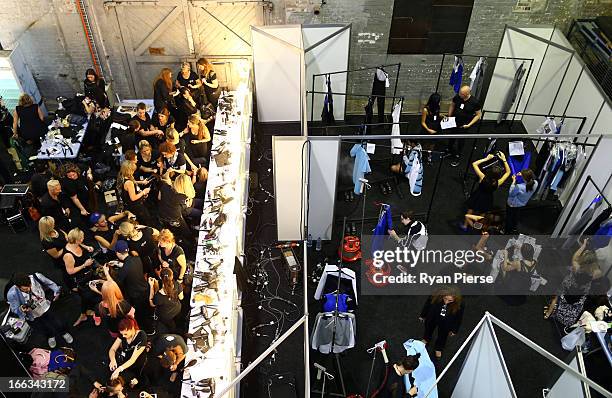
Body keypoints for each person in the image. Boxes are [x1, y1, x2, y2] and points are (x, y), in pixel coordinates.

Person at [544, 238, 602, 326]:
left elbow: (575, 257)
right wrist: (592, 261)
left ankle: (548, 314)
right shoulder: (596, 273)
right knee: (577, 304)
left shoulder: (577, 268)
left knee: (556, 298)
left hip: (568, 288)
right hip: (580, 294)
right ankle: (568, 318)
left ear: (582, 259)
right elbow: (597, 269)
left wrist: (583, 246)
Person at [7, 272, 73, 349]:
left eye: (29, 286)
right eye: (25, 289)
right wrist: (22, 309)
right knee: (42, 328)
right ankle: (50, 336)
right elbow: (14, 309)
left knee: (57, 322)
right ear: (18, 287)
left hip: (45, 306)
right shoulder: (12, 294)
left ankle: (64, 332)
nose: (29, 289)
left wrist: (56, 291)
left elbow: (50, 283)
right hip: (32, 315)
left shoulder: (36, 277)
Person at [461, 152, 510, 231]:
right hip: (487, 198)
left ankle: (465, 225)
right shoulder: (498, 182)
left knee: (471, 208)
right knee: (482, 213)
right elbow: (508, 172)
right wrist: (504, 160)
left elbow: (474, 164)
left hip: (478, 195)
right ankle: (478, 227)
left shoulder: (483, 177)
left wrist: (486, 159)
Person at [112, 240, 152, 334]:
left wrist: (107, 272)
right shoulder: (136, 259)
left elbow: (116, 283)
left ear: (117, 253)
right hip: (145, 289)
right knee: (147, 310)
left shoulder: (125, 268)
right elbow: (129, 266)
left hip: (136, 295)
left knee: (141, 315)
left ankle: (149, 330)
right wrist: (118, 264)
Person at [62, 228, 101, 327]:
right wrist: (84, 265)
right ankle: (96, 313)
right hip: (81, 279)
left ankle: (84, 314)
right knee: (92, 296)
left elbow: (80, 245)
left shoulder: (77, 244)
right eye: (82, 238)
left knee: (89, 295)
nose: (83, 238)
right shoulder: (68, 255)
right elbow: (70, 271)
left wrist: (87, 247)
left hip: (89, 274)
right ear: (76, 240)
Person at [419, 286, 464, 358]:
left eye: (450, 300)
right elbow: (427, 304)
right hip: (433, 317)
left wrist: (455, 329)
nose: (446, 302)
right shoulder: (435, 296)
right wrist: (423, 315)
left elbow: (459, 317)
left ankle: (438, 348)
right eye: (445, 298)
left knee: (443, 335)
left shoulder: (459, 304)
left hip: (446, 322)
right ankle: (426, 339)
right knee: (428, 329)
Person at [447, 85, 482, 166]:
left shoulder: (474, 102)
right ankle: (449, 149)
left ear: (467, 94)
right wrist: (449, 115)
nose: (460, 95)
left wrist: (469, 125)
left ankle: (458, 156)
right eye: (460, 93)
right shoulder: (457, 97)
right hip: (454, 122)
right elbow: (452, 104)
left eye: (462, 94)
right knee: (451, 136)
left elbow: (478, 115)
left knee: (461, 141)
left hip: (464, 125)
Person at [108, 317, 148, 384]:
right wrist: (112, 360)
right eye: (122, 334)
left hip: (137, 362)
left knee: (138, 378)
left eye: (125, 334)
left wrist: (119, 369)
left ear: (132, 328)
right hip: (125, 359)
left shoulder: (141, 336)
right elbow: (112, 349)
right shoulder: (123, 334)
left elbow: (133, 359)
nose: (123, 336)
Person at [117, 161, 153, 227]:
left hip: (129, 204)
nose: (134, 172)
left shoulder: (121, 176)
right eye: (133, 170)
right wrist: (143, 192)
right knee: (146, 219)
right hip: (136, 206)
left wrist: (141, 182)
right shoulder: (129, 183)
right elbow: (133, 198)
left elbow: (132, 183)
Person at [158, 173, 192, 241]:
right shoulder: (181, 196)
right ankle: (190, 242)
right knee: (185, 231)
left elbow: (159, 197)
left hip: (162, 215)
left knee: (171, 232)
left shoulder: (164, 186)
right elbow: (187, 206)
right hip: (175, 217)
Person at [148, 268, 183, 333]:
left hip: (166, 315)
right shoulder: (177, 284)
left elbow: (152, 304)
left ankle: (174, 332)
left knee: (171, 327)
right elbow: (181, 298)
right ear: (172, 276)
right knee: (178, 321)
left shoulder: (159, 295)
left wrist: (151, 286)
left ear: (161, 278)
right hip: (177, 309)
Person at [12, 93, 46, 158]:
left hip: (27, 134)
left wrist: (15, 133)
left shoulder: (17, 109)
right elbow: (42, 118)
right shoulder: (36, 106)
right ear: (30, 99)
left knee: (32, 145)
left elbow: (15, 123)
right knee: (42, 141)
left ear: (20, 101)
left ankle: (36, 156)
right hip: (39, 131)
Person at [506, 168, 538, 234]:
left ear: (524, 178)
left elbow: (511, 194)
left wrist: (513, 181)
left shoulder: (519, 187)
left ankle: (508, 230)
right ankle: (514, 228)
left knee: (509, 216)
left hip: (512, 204)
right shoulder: (536, 183)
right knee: (516, 215)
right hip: (522, 203)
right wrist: (523, 175)